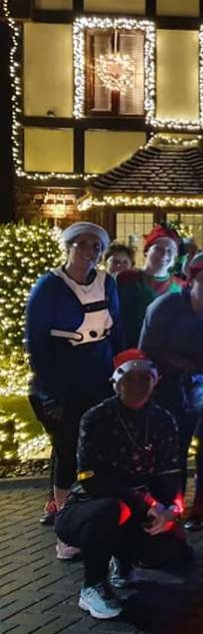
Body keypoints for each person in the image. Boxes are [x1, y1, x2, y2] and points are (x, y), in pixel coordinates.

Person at [54, 350, 188, 620]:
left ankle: (123, 560)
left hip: (142, 507)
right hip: (90, 507)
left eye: (144, 378)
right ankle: (92, 586)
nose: (137, 385)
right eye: (129, 378)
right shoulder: (96, 418)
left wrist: (169, 510)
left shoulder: (163, 420)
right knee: (111, 510)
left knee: (171, 549)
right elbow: (92, 480)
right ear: (115, 382)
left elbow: (170, 473)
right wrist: (147, 503)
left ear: (155, 381)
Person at [26, 222, 123, 539]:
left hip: (100, 376)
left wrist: (122, 371)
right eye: (82, 245)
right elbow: (37, 342)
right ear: (68, 247)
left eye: (95, 247)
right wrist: (50, 393)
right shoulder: (50, 287)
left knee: (99, 443)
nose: (89, 252)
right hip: (65, 377)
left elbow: (117, 330)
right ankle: (64, 516)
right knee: (67, 445)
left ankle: (92, 504)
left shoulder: (107, 283)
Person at [139, 252, 203, 528]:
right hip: (164, 388)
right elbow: (149, 351)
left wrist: (182, 360)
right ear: (191, 280)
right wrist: (192, 362)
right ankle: (172, 503)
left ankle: (199, 504)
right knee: (173, 449)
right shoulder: (165, 307)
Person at [117, 223, 185, 347]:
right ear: (147, 251)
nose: (164, 255)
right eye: (158, 249)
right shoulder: (126, 279)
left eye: (170, 251)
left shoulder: (181, 287)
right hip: (128, 349)